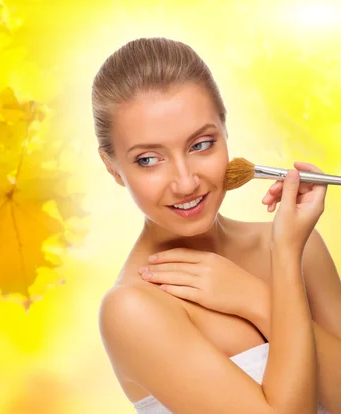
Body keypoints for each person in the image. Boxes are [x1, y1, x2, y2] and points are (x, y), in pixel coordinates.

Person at [93, 37, 341, 413]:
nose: (185, 181)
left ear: (226, 132)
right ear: (112, 167)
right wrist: (284, 261)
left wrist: (257, 296)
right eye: (148, 159)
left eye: (200, 145)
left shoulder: (298, 245)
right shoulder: (133, 308)